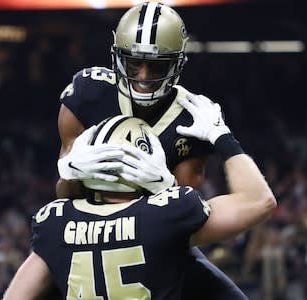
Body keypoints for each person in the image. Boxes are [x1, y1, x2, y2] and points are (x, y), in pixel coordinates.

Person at [56, 2, 250, 299]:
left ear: (177, 64)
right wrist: (72, 171)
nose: (144, 77)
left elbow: (183, 221)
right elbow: (63, 194)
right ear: (117, 57)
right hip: (86, 231)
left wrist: (166, 187)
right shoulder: (87, 94)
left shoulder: (193, 118)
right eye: (134, 63)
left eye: (157, 65)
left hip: (154, 242)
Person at [3, 113, 276, 300]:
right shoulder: (167, 215)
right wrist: (222, 136)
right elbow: (259, 201)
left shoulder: (55, 221)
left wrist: (68, 177)